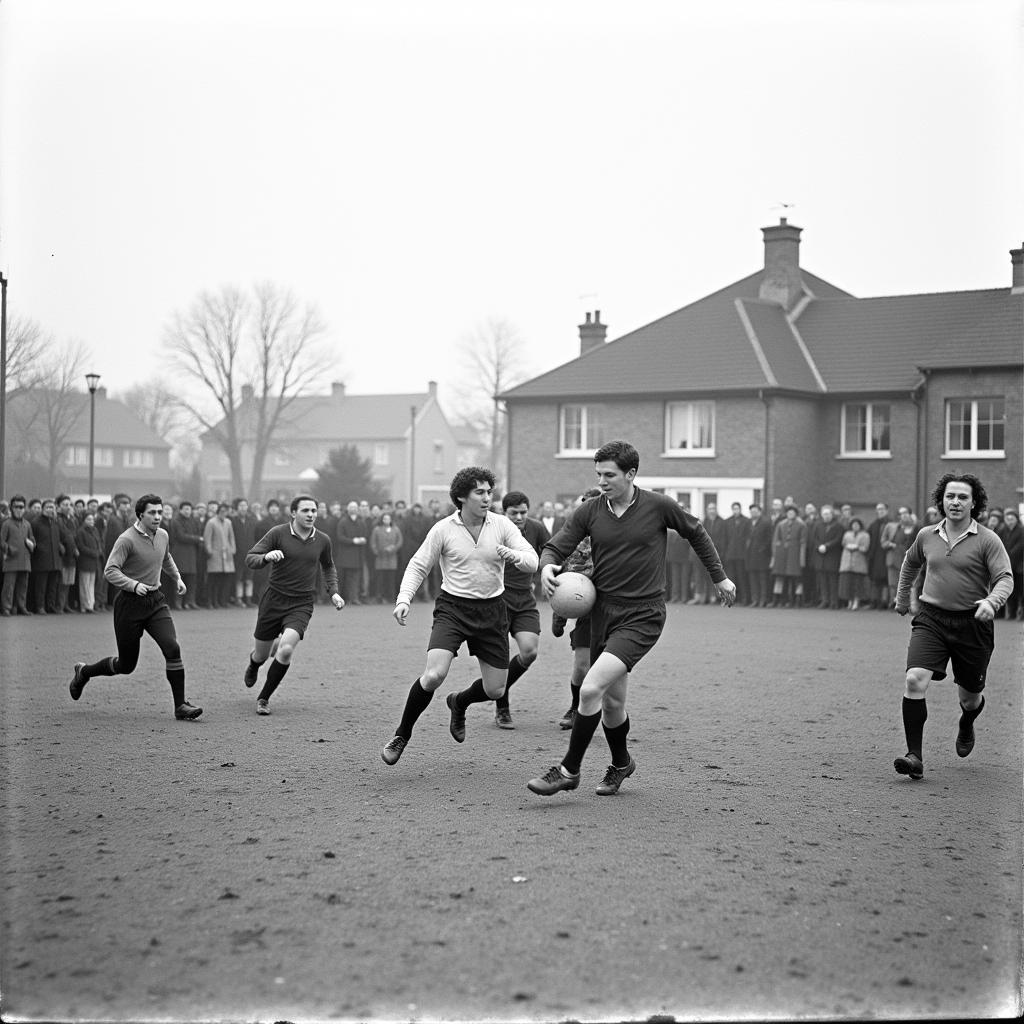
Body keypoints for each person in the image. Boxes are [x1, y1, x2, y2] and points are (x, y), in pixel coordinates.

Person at [527, 440, 735, 798]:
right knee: (611, 703)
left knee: (590, 689)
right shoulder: (590, 510)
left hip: (643, 615)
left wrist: (719, 577)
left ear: (631, 474)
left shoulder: (658, 506)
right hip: (602, 613)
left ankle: (568, 770)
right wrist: (546, 566)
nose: (603, 481)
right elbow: (556, 544)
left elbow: (696, 532)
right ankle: (622, 763)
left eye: (610, 475)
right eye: (599, 475)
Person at [379, 467, 539, 766]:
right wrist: (404, 599)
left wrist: (517, 557)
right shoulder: (443, 529)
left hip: (492, 611)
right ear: (462, 497)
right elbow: (418, 565)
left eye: (490, 491)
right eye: (480, 492)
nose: (487, 497)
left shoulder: (502, 525)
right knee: (434, 674)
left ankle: (459, 701)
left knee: (496, 690)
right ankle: (402, 734)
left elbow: (532, 560)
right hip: (453, 609)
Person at [892, 473, 1012, 781]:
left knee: (969, 698)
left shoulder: (988, 539)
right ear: (941, 501)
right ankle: (914, 757)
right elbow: (910, 563)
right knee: (914, 680)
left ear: (974, 503)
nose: (955, 502)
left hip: (972, 623)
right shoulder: (926, 535)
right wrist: (903, 596)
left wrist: (991, 602)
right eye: (950, 496)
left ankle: (966, 722)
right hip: (931, 618)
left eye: (962, 497)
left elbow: (1005, 578)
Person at [68, 494, 202, 721]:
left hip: (155, 601)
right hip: (129, 605)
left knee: (172, 648)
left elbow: (166, 557)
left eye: (160, 512)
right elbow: (110, 570)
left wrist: (177, 578)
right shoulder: (126, 539)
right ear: (141, 514)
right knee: (126, 665)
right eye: (153, 512)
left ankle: (180, 706)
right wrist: (133, 585)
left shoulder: (163, 535)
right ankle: (84, 672)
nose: (158, 517)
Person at [242, 495, 345, 715]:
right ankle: (254, 663)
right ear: (293, 513)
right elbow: (251, 558)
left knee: (286, 648)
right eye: (306, 510)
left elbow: (328, 567)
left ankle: (264, 698)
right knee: (262, 654)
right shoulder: (277, 533)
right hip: (273, 600)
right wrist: (267, 557)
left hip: (302, 602)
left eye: (314, 511)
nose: (310, 515)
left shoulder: (323, 540)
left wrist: (333, 592)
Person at [467, 489, 548, 730]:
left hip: (524, 600)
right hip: (497, 600)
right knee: (499, 658)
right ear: (504, 511)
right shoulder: (490, 529)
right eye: (514, 513)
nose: (520, 517)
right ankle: (502, 709)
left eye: (524, 512)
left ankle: (504, 685)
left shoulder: (537, 528)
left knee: (529, 651)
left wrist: (551, 573)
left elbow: (551, 553)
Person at [1, 495, 35, 615]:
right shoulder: (7, 524)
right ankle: (6, 607)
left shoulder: (27, 524)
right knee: (8, 587)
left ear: (24, 508)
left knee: (23, 586)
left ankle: (21, 606)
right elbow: (1, 541)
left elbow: (32, 540)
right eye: (16, 507)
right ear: (11, 508)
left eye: (21, 507)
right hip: (11, 559)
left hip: (25, 559)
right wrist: (9, 549)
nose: (19, 509)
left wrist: (32, 544)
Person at [203, 503, 236, 608]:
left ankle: (221, 601)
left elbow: (231, 537)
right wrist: (209, 551)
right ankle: (210, 601)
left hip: (226, 554)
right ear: (218, 511)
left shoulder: (228, 522)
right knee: (213, 579)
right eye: (221, 511)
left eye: (225, 511)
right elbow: (207, 538)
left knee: (224, 580)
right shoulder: (211, 522)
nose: (223, 513)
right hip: (215, 554)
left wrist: (233, 549)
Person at [369, 511, 403, 604]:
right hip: (381, 557)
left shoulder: (396, 529)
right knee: (380, 579)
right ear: (382, 520)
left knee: (391, 579)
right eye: (384, 519)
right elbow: (373, 542)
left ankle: (390, 597)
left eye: (388, 518)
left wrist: (393, 548)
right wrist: (376, 552)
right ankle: (379, 596)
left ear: (391, 520)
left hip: (392, 558)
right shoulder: (377, 529)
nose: (386, 520)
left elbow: (399, 541)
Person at [838, 517, 870, 610]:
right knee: (848, 583)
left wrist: (857, 547)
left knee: (857, 583)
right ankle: (849, 602)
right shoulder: (847, 534)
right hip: (847, 561)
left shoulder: (865, 535)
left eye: (857, 525)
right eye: (853, 524)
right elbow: (843, 544)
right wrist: (848, 546)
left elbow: (866, 547)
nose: (855, 526)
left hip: (859, 561)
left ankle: (856, 602)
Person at [74, 511, 103, 613]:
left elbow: (99, 542)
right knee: (84, 584)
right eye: (88, 519)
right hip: (85, 561)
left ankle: (90, 604)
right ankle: (84, 605)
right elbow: (81, 546)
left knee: (91, 584)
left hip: (94, 561)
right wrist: (93, 553)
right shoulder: (80, 531)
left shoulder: (95, 530)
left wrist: (99, 551)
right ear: (84, 520)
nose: (91, 521)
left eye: (92, 519)